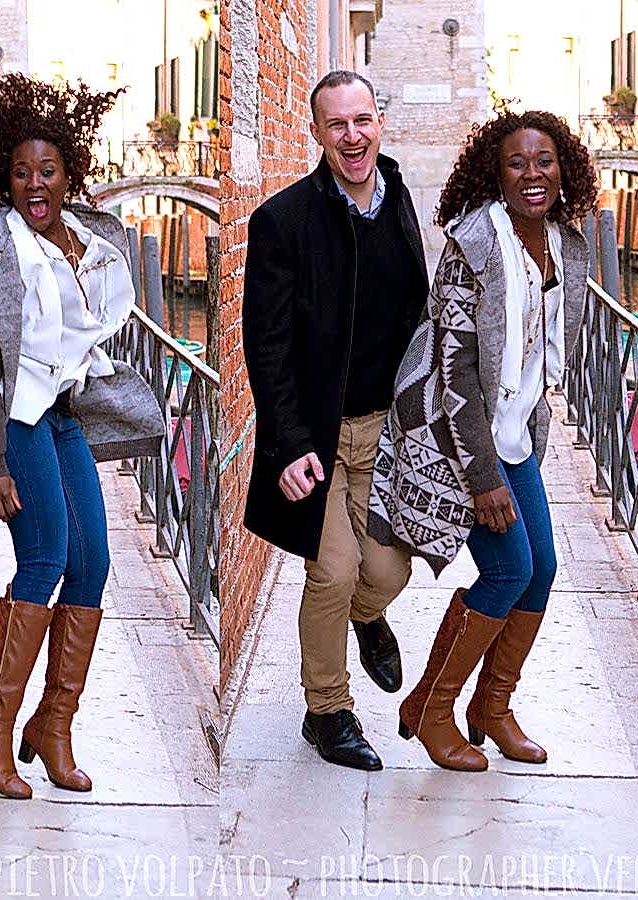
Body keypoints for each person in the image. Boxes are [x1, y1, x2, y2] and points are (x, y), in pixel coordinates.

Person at [0, 74, 148, 800]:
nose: (35, 183)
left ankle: (52, 727)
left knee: (94, 563)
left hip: (63, 413)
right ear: (5, 175)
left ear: (69, 172)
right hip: (16, 418)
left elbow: (103, 327)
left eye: (47, 170)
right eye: (21, 172)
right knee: (45, 557)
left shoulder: (93, 241)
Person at [370, 111, 596, 771]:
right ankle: (430, 708)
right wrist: (484, 479)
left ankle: (490, 708)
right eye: (517, 163)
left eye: (545, 160)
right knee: (507, 569)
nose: (533, 174)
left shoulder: (560, 241)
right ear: (494, 175)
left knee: (542, 569)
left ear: (564, 169)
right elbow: (455, 372)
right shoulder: (474, 244)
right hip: (456, 436)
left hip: (514, 430)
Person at [241, 70, 429, 772]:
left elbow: (418, 309)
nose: (353, 137)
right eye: (337, 125)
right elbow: (266, 343)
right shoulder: (282, 221)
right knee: (334, 567)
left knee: (387, 566)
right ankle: (328, 711)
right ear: (316, 133)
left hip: (385, 429)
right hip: (316, 437)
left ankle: (365, 615)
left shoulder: (399, 197)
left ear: (380, 122)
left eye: (362, 121)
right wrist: (288, 444)